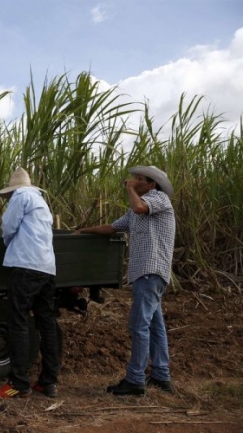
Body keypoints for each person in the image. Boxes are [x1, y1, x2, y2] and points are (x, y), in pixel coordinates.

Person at [75, 165, 175, 396]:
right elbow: (111, 228)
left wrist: (130, 189)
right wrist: (84, 230)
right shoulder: (135, 211)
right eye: (133, 179)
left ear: (152, 184)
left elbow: (139, 207)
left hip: (151, 273)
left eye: (139, 179)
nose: (133, 181)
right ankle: (161, 375)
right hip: (145, 274)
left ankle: (135, 380)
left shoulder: (158, 199)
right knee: (155, 326)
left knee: (139, 326)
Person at [0, 167, 60, 399]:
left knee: (18, 321)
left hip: (26, 267)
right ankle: (48, 382)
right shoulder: (40, 200)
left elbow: (8, 228)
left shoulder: (21, 196)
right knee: (46, 323)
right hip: (47, 268)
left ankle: (19, 383)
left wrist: (10, 244)